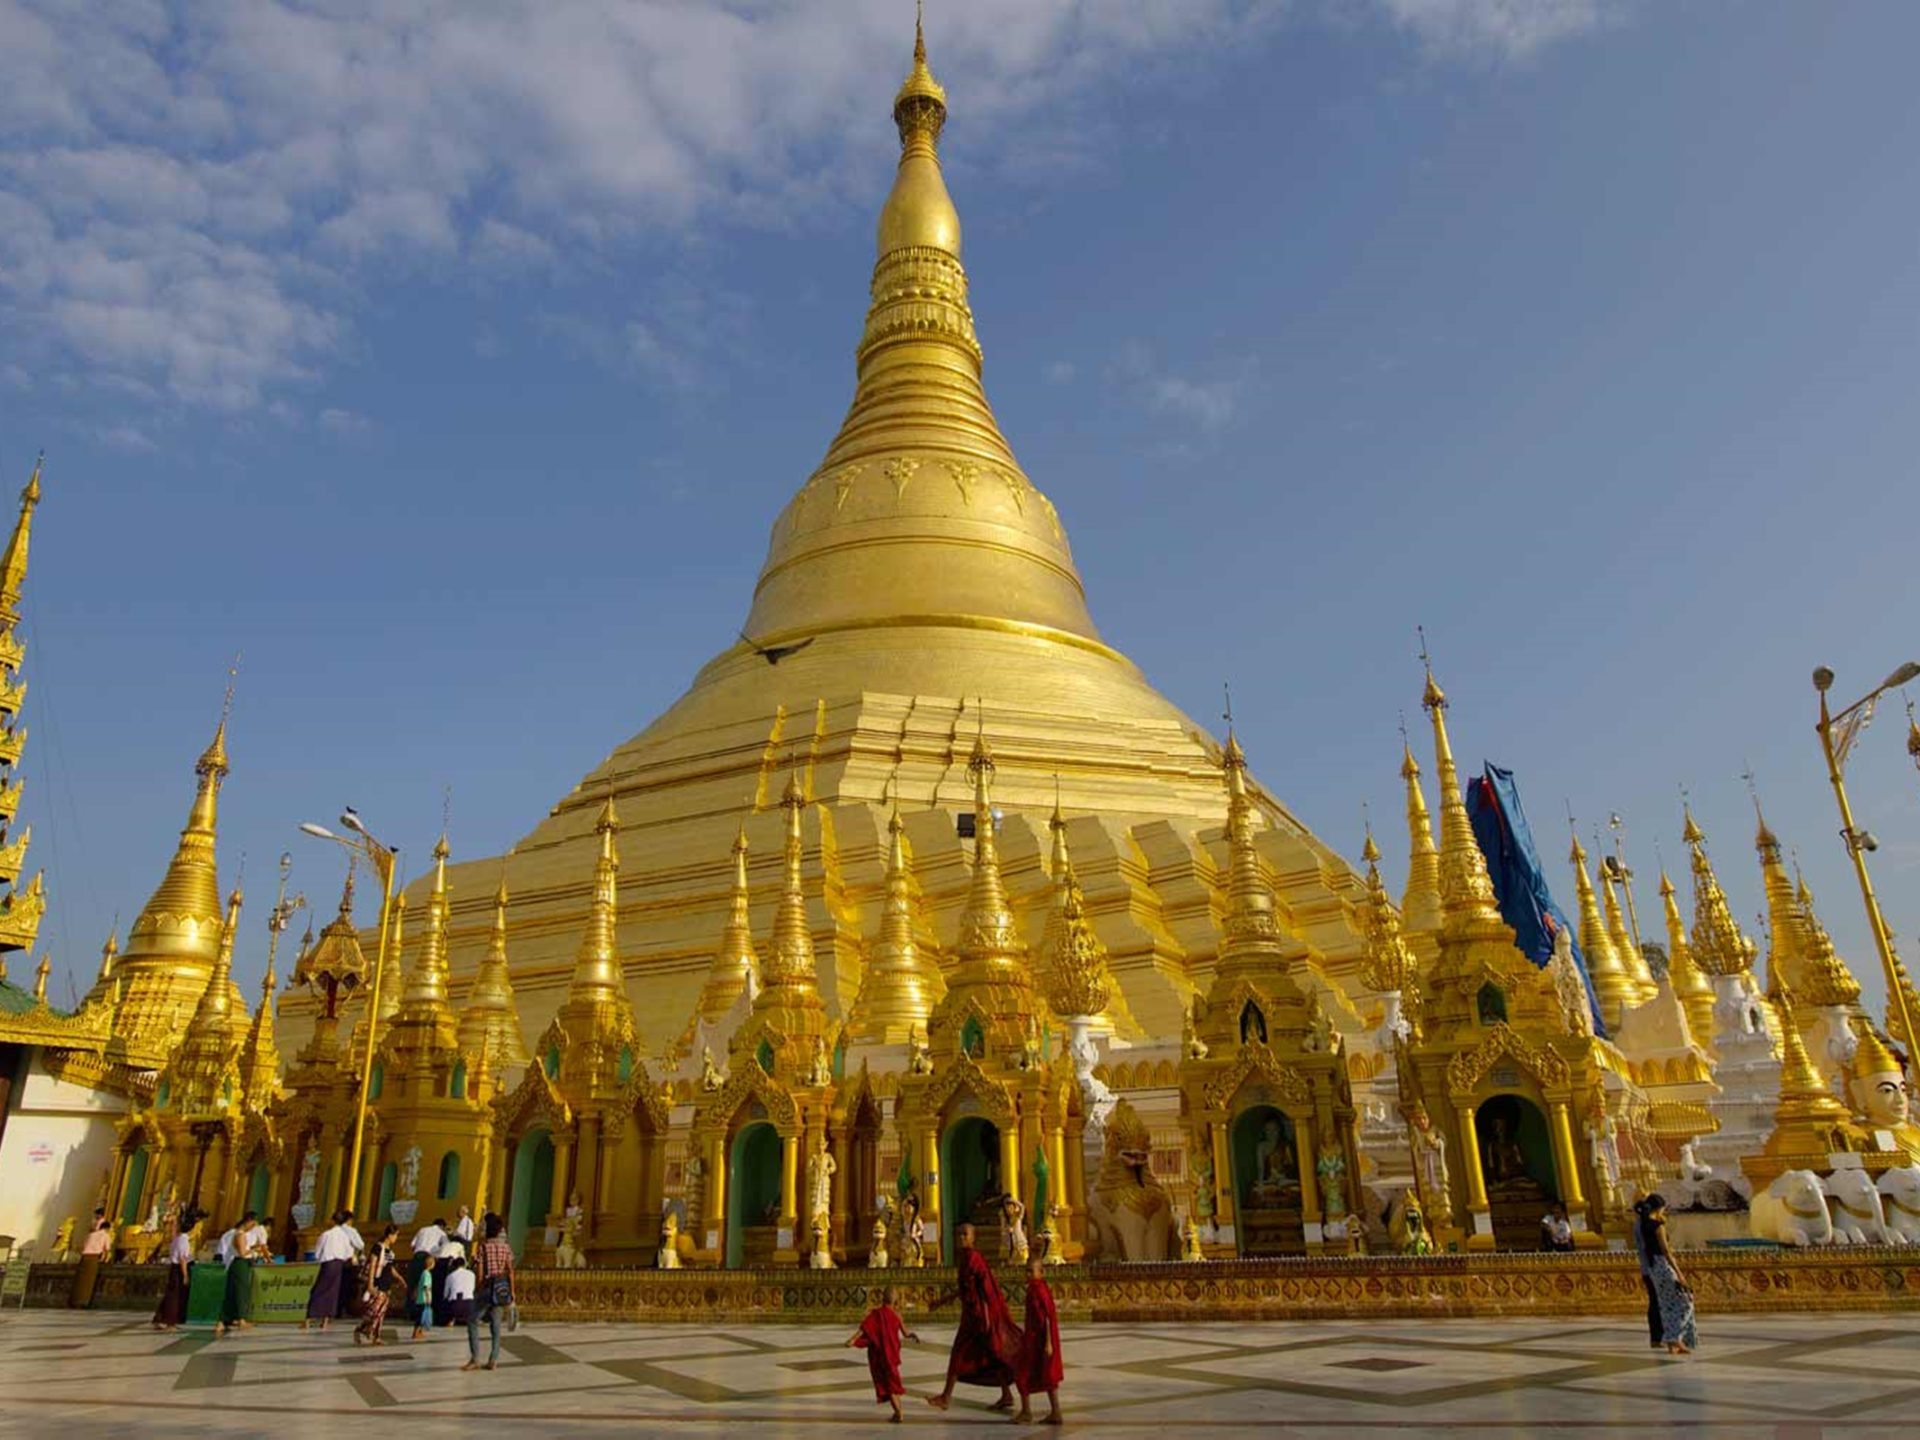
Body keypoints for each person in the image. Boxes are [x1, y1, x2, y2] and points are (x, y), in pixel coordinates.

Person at [926, 1222, 1022, 1413]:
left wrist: (986, 1318)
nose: (961, 1238)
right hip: (972, 1315)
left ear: (973, 1237)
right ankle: (1006, 1394)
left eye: (965, 1234)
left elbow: (986, 1291)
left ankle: (946, 1397)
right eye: (959, 1234)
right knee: (992, 1354)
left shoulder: (974, 1259)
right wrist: (941, 1301)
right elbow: (964, 1289)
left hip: (979, 1316)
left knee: (960, 1353)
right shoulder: (966, 1258)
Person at [847, 1285, 919, 1424]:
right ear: (896, 1300)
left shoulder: (876, 1314)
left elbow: (864, 1329)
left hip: (881, 1356)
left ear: (882, 1298)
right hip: (891, 1355)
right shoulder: (897, 1315)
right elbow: (905, 1333)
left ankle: (899, 1413)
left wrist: (853, 1339)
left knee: (889, 1386)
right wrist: (913, 1335)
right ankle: (897, 1413)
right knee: (892, 1384)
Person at [1637, 1194, 1697, 1356]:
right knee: (1686, 1301)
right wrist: (1679, 1273)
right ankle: (1673, 1337)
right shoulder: (1658, 1226)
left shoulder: (1642, 1225)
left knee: (1665, 1305)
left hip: (1652, 1269)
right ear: (1660, 1208)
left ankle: (1673, 1343)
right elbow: (1666, 1251)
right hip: (1663, 1266)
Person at [1013, 1256, 1064, 1426]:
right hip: (1034, 1337)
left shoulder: (1040, 1290)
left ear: (1041, 1272)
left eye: (1031, 1271)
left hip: (1042, 1339)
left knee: (1025, 1372)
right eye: (1026, 1271)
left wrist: (1048, 1343)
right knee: (1045, 1374)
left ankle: (1027, 1412)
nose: (1028, 1274)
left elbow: (1048, 1317)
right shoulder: (1033, 1289)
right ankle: (1055, 1411)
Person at [463, 1212, 516, 1373]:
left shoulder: (484, 1247)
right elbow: (510, 1270)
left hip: (488, 1287)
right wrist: (512, 1292)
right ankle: (493, 1359)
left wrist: (478, 1289)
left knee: (472, 1320)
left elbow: (479, 1272)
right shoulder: (506, 1247)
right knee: (496, 1326)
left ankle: (475, 1358)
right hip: (501, 1287)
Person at [303, 1209, 361, 1332]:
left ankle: (308, 1320)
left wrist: (319, 1259)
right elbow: (348, 1252)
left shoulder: (327, 1234)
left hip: (328, 1264)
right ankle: (325, 1322)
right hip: (339, 1264)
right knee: (332, 1293)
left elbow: (318, 1251)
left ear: (332, 1221)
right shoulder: (345, 1236)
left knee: (318, 1290)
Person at [215, 1209, 266, 1337]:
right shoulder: (240, 1234)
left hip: (237, 1264)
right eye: (252, 1225)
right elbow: (243, 1252)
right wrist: (254, 1248)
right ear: (248, 1222)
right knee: (241, 1292)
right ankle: (241, 1320)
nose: (252, 1228)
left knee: (232, 1292)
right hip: (240, 1264)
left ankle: (223, 1321)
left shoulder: (236, 1234)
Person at [152, 1207, 198, 1332]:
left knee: (170, 1294)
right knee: (175, 1297)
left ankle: (161, 1319)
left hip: (173, 1267)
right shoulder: (184, 1240)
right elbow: (183, 1259)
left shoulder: (176, 1238)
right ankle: (170, 1323)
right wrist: (185, 1275)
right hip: (178, 1268)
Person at [354, 1224, 400, 1347]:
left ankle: (376, 1336)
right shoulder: (378, 1248)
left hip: (386, 1284)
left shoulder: (390, 1251)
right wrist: (370, 1284)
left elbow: (390, 1268)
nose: (396, 1238)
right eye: (395, 1235)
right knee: (374, 1311)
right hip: (377, 1284)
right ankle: (361, 1329)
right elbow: (373, 1265)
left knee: (381, 1313)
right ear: (390, 1235)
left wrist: (400, 1279)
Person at [1629, 1196, 1661, 1349]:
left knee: (1654, 1302)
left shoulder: (1637, 1225)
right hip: (1657, 1267)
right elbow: (1665, 1250)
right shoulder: (1655, 1226)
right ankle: (1667, 1336)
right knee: (1661, 1302)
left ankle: (1656, 1337)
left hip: (1646, 1268)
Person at [406, 1216, 448, 1331]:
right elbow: (445, 1247)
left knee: (413, 1284)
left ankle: (410, 1313)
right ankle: (421, 1315)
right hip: (428, 1258)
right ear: (443, 1226)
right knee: (425, 1286)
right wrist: (436, 1256)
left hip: (416, 1257)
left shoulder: (422, 1229)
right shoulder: (441, 1233)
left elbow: (412, 1245)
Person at [70, 1208, 112, 1309]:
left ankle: (74, 1300)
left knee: (80, 1280)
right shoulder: (105, 1235)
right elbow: (107, 1249)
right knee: (88, 1281)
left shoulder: (91, 1235)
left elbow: (85, 1245)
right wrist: (105, 1258)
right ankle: (83, 1301)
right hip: (93, 1258)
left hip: (85, 1256)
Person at [441, 1251, 476, 1328]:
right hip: (469, 1305)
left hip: (454, 1305)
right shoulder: (472, 1274)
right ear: (464, 1265)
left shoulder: (450, 1276)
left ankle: (451, 1320)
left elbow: (445, 1294)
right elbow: (472, 1289)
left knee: (445, 1301)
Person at [412, 1252, 437, 1339]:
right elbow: (426, 1287)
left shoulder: (423, 1273)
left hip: (421, 1298)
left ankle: (420, 1332)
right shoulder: (427, 1274)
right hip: (423, 1299)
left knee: (421, 1316)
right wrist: (427, 1298)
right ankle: (416, 1332)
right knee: (421, 1317)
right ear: (431, 1264)